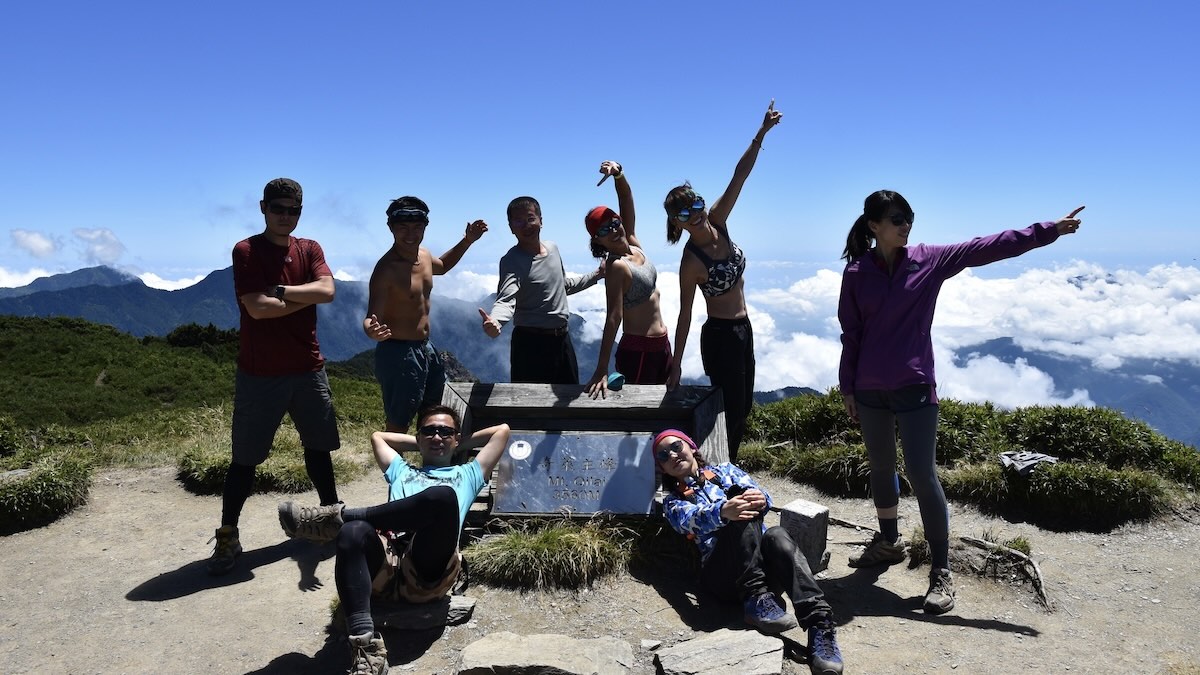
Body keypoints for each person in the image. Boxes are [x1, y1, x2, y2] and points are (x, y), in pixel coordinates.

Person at [837, 190, 1084, 614]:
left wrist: (1048, 231)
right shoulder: (857, 272)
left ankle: (941, 571)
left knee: (921, 472)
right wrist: (848, 387)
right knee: (880, 466)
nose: (906, 224)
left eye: (909, 217)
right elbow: (851, 334)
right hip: (870, 389)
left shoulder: (929, 259)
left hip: (915, 387)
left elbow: (984, 247)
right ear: (874, 225)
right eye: (897, 218)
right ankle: (889, 542)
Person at [277, 405, 510, 675]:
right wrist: (431, 441)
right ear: (418, 437)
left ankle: (340, 516)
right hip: (385, 566)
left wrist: (453, 443)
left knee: (442, 497)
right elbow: (379, 437)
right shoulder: (401, 470)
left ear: (456, 439)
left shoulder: (468, 474)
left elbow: (501, 431)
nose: (437, 437)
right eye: (429, 431)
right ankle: (365, 649)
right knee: (353, 533)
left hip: (428, 572)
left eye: (445, 432)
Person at [208, 177, 342, 576]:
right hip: (261, 373)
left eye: (293, 210)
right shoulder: (246, 250)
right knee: (244, 461)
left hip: (308, 367)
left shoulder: (310, 248)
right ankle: (228, 535)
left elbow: (329, 291)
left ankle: (331, 518)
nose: (285, 216)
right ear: (263, 207)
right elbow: (256, 309)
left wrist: (281, 290)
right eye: (278, 208)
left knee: (319, 450)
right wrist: (305, 293)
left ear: (300, 211)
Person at [653, 429, 843, 675]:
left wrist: (760, 499)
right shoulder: (672, 501)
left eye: (676, 446)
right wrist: (723, 511)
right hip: (722, 579)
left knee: (776, 534)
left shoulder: (726, 470)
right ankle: (756, 599)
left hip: (763, 571)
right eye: (663, 455)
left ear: (691, 447)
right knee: (739, 513)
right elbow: (686, 521)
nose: (672, 455)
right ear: (664, 469)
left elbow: (762, 493)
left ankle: (820, 626)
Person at [664, 100, 782, 462]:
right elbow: (685, 314)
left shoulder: (718, 220)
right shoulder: (690, 262)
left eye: (695, 204)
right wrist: (676, 364)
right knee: (729, 406)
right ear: (677, 223)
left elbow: (739, 176)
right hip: (719, 335)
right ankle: (719, 469)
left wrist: (760, 134)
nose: (695, 214)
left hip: (743, 328)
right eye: (684, 213)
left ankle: (727, 464)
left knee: (743, 403)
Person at [363, 196, 488, 432]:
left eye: (417, 227)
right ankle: (393, 468)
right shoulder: (386, 269)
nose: (410, 233)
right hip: (397, 353)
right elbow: (372, 316)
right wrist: (371, 329)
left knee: (434, 414)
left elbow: (442, 265)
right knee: (399, 421)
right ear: (390, 227)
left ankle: (431, 465)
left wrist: (468, 241)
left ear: (425, 227)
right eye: (403, 227)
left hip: (426, 348)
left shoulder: (424, 255)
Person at [478, 196, 602, 383]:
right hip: (530, 345)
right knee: (528, 406)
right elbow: (506, 299)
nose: (526, 225)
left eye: (530, 218)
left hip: (562, 339)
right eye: (518, 221)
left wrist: (597, 275)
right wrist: (496, 321)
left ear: (541, 221)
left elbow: (562, 286)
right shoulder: (512, 261)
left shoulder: (553, 249)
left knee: (568, 403)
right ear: (511, 227)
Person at [582, 160, 671, 398]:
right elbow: (613, 317)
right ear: (597, 241)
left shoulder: (634, 245)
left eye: (614, 223)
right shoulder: (616, 266)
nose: (612, 230)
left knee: (665, 404)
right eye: (603, 230)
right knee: (642, 414)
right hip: (639, 350)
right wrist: (602, 368)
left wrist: (618, 175)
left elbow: (627, 201)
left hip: (662, 344)